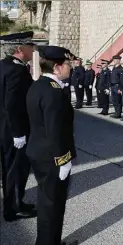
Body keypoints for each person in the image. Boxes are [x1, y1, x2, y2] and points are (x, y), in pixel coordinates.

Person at [26, 45, 78, 245]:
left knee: (48, 202)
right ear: (57, 67)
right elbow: (55, 130)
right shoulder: (53, 92)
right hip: (52, 157)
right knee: (52, 204)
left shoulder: (38, 85)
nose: (70, 67)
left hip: (39, 152)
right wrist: (63, 159)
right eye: (67, 64)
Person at [0, 31, 37, 222]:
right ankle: (14, 208)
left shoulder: (4, 66)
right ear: (20, 49)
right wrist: (18, 133)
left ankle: (15, 203)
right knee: (16, 169)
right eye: (30, 46)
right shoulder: (16, 71)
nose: (33, 49)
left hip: (5, 128)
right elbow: (12, 104)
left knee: (10, 169)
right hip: (14, 130)